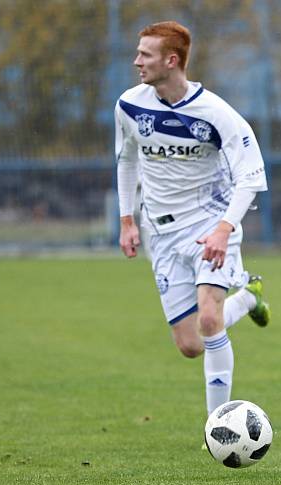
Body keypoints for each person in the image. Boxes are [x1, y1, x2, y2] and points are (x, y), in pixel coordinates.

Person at [115, 21, 271, 417]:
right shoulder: (130, 106)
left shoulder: (217, 114)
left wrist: (224, 228)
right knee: (191, 344)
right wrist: (127, 220)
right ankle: (249, 297)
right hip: (160, 233)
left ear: (172, 60)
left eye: (145, 55)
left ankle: (217, 427)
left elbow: (251, 176)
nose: (137, 61)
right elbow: (126, 159)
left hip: (210, 226)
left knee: (207, 317)